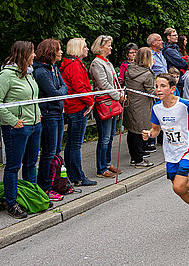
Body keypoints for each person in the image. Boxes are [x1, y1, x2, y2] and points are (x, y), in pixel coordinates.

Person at [142, 73, 189, 228]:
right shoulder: (156, 108)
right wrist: (149, 134)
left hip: (187, 150)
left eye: (163, 86)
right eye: (156, 86)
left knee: (178, 187)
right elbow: (156, 130)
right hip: (171, 153)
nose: (158, 89)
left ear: (172, 89)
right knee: (179, 189)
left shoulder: (184, 105)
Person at [0, 41, 42, 219]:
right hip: (17, 128)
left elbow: (33, 97)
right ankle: (11, 203)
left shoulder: (28, 73)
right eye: (32, 53)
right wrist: (12, 120)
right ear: (23, 54)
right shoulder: (6, 75)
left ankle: (32, 198)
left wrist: (38, 114)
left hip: (34, 125)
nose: (34, 56)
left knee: (30, 164)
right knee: (13, 167)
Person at [32, 39, 69, 202]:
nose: (61, 52)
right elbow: (54, 92)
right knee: (48, 152)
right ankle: (45, 187)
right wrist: (60, 92)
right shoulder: (41, 72)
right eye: (59, 49)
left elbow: (64, 87)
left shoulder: (54, 68)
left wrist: (60, 92)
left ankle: (55, 182)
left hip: (58, 112)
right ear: (50, 52)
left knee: (56, 152)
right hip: (49, 114)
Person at [60, 38, 97, 187]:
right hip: (77, 107)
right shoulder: (75, 65)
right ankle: (77, 176)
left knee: (71, 143)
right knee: (75, 144)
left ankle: (73, 174)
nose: (87, 49)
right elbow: (79, 87)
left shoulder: (70, 64)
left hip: (73, 106)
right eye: (85, 47)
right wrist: (90, 102)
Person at [89, 35, 123, 178]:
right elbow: (104, 84)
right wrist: (118, 95)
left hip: (112, 102)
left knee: (109, 137)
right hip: (105, 103)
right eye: (108, 45)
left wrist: (119, 91)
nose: (111, 48)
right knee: (104, 137)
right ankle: (101, 168)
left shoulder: (106, 62)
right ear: (100, 47)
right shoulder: (97, 63)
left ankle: (107, 163)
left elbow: (113, 82)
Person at [124, 47, 156, 168]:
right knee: (140, 131)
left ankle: (134, 157)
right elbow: (151, 91)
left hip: (131, 103)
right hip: (142, 105)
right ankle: (139, 159)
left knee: (132, 131)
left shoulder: (130, 69)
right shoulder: (147, 74)